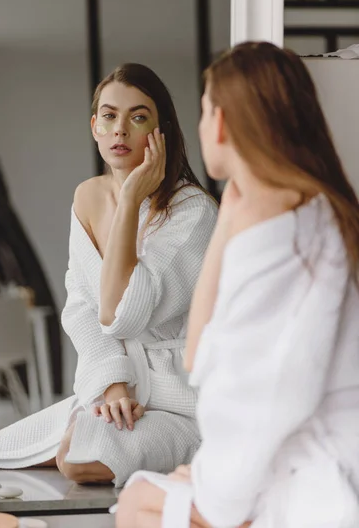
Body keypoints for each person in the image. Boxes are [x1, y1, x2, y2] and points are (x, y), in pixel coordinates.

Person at [115, 42, 359, 528]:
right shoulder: (310, 206)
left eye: (204, 110)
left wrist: (215, 494)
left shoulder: (278, 219)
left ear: (221, 122)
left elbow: (266, 392)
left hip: (311, 475)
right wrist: (232, 205)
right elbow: (201, 356)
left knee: (136, 504)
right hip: (291, 457)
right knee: (140, 496)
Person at [0, 63, 218, 486]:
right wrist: (112, 384)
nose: (120, 130)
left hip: (178, 400)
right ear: (95, 126)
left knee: (76, 459)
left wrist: (129, 200)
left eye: (138, 117)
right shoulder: (88, 197)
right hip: (120, 390)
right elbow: (81, 309)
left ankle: (198, 449)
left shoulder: (194, 211)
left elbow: (120, 315)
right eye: (109, 116)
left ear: (160, 131)